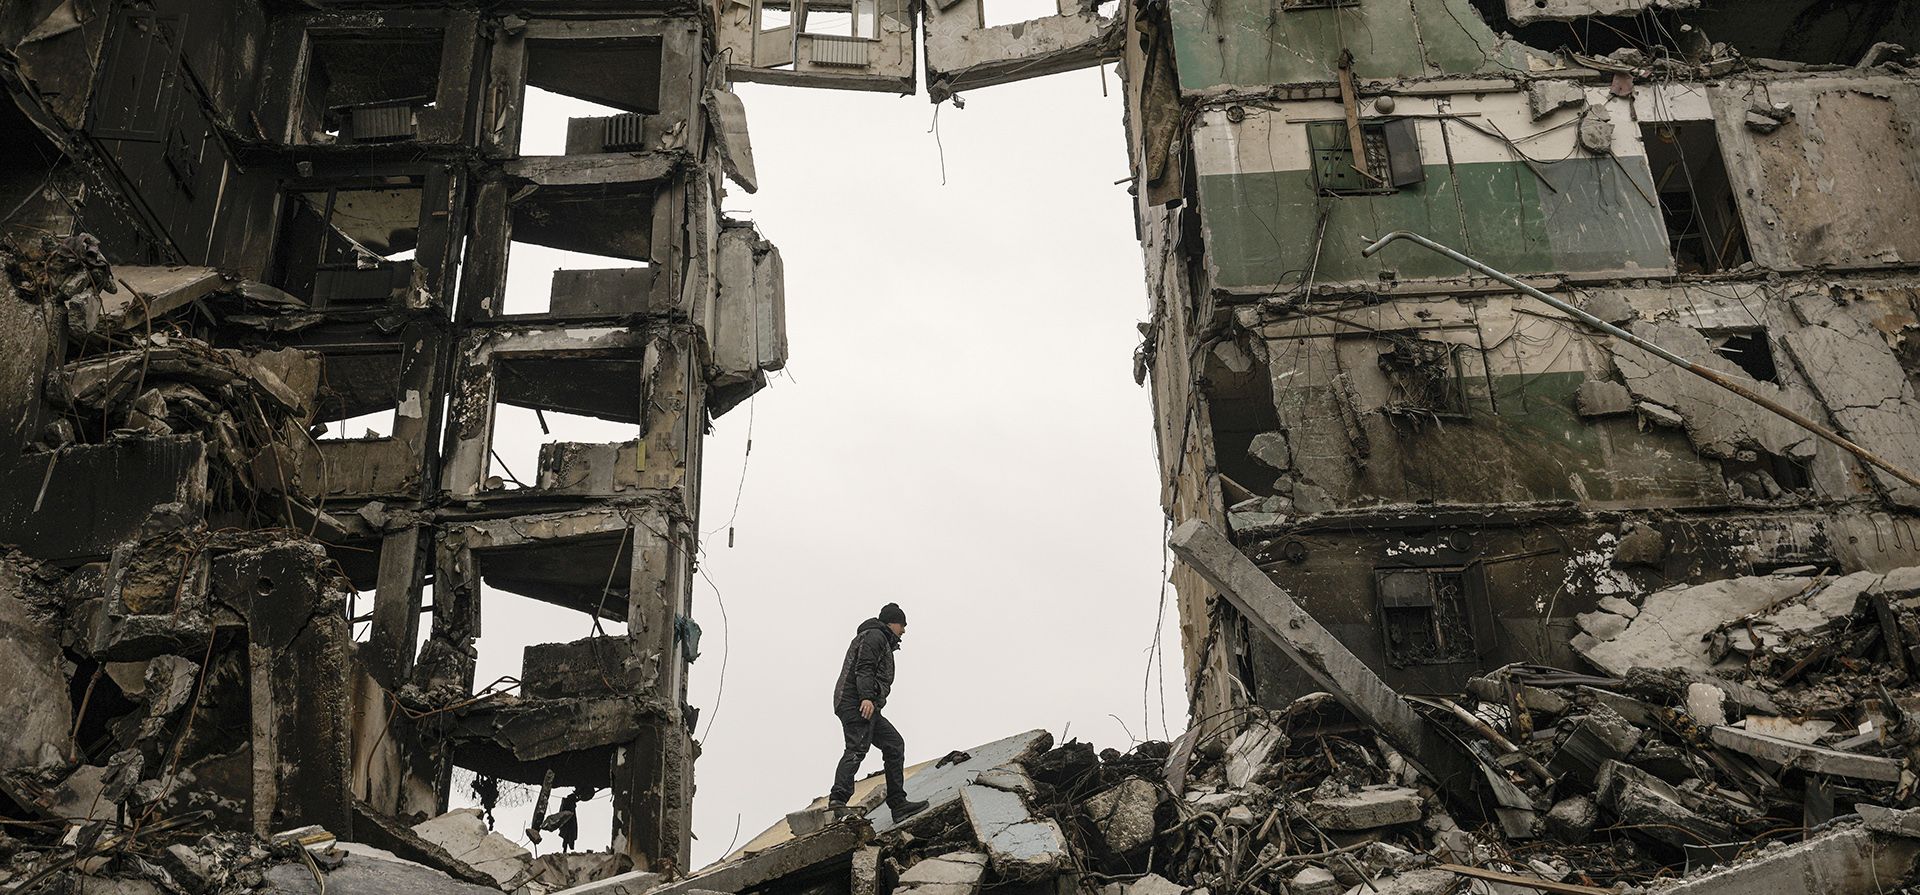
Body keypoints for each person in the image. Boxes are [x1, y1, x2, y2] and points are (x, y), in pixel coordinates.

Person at [828, 602, 928, 818]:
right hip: (856, 702)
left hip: (864, 702)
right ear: (893, 623)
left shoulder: (879, 637)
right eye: (902, 625)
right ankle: (837, 802)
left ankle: (898, 803)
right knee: (857, 747)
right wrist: (866, 697)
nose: (903, 631)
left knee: (894, 744)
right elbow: (865, 666)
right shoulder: (875, 635)